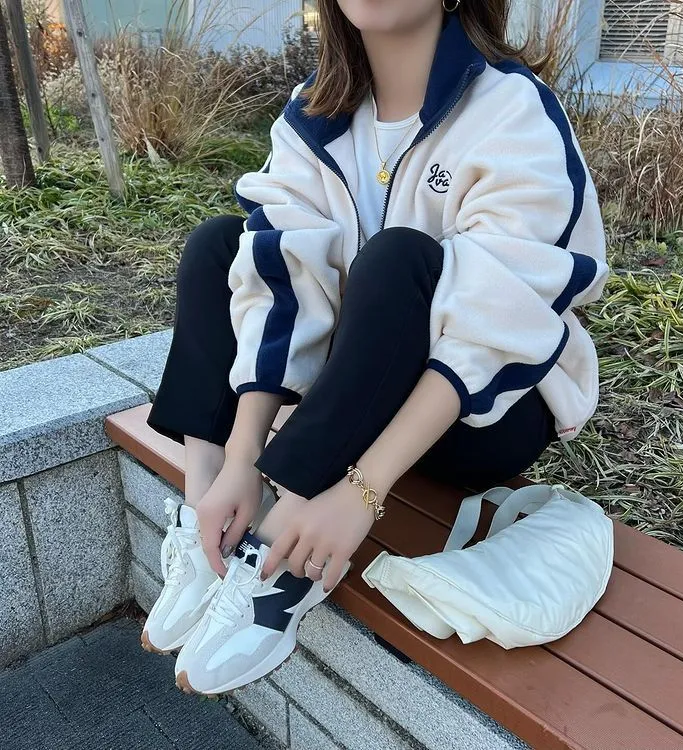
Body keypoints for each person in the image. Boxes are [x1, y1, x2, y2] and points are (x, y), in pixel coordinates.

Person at [140, 0, 610, 696]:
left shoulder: (511, 108)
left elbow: (502, 318)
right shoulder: (316, 114)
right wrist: (242, 458)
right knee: (223, 245)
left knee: (397, 258)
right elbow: (283, 281)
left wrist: (358, 494)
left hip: (480, 412)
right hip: (363, 388)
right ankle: (210, 508)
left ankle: (282, 563)